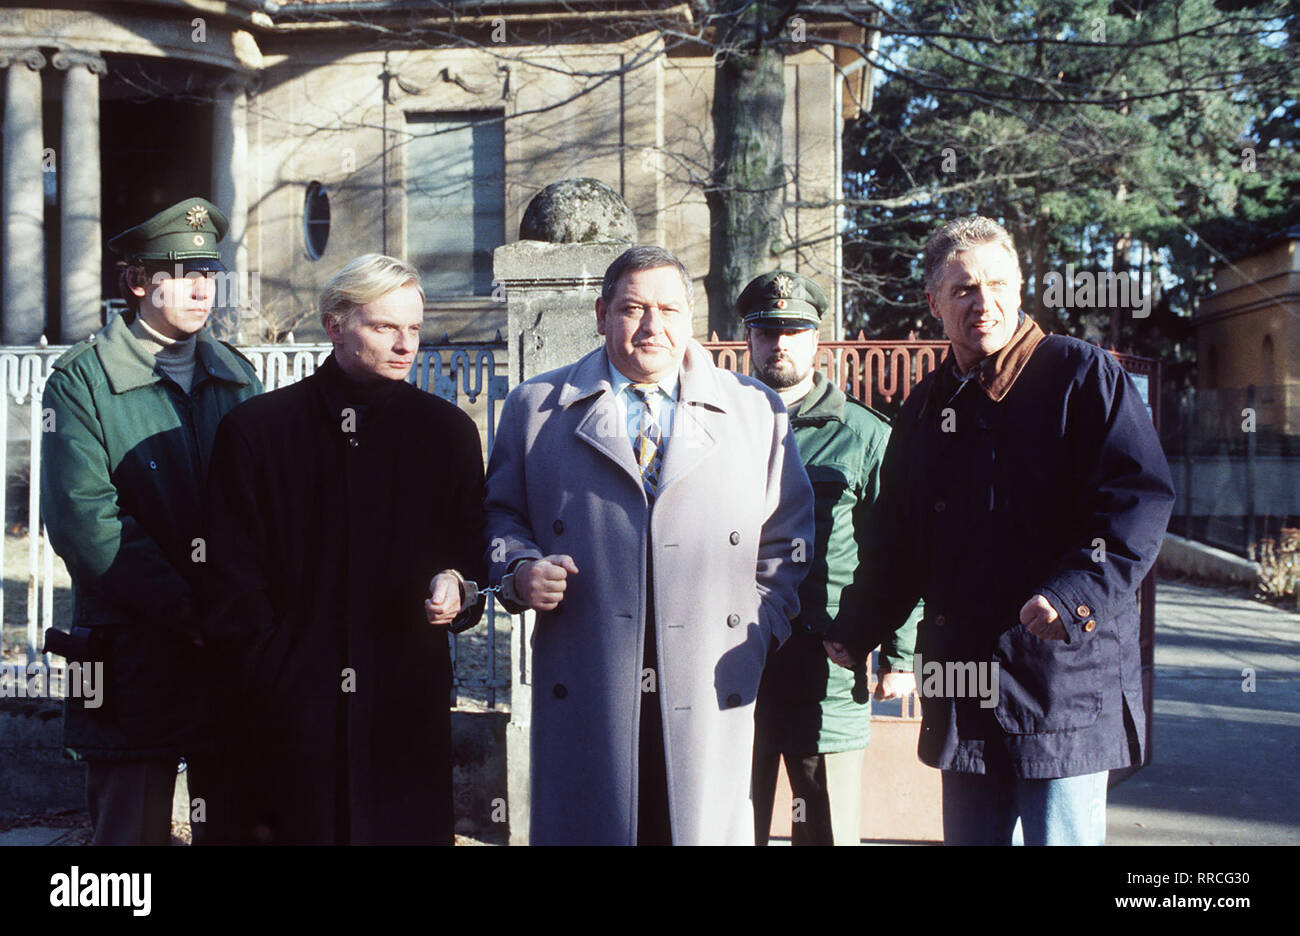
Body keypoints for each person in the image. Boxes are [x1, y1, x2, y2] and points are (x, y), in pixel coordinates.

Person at [826, 216, 1175, 845]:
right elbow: (898, 540)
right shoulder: (927, 405)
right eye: (962, 289)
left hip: (1061, 686)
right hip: (963, 690)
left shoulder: (1083, 376)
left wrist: (1073, 596)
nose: (982, 303)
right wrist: (860, 625)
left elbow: (1138, 502)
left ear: (1020, 289)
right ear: (933, 302)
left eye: (996, 285)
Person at [484, 245, 814, 845]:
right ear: (601, 313)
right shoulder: (536, 408)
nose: (652, 326)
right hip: (590, 672)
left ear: (691, 316)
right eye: (633, 308)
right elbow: (500, 517)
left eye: (668, 309)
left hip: (710, 674)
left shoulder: (754, 410)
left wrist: (758, 624)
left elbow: (787, 539)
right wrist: (520, 571)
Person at [200, 253, 487, 845]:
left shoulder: (448, 432)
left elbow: (471, 553)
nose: (406, 344)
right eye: (384, 327)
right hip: (288, 713)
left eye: (414, 327)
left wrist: (458, 586)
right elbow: (229, 576)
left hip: (403, 706)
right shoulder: (258, 430)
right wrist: (276, 671)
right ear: (335, 325)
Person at [40, 197, 262, 844]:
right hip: (129, 649)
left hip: (227, 646)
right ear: (139, 282)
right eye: (181, 271)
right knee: (128, 840)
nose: (201, 287)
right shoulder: (81, 382)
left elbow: (261, 503)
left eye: (209, 272)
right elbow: (84, 521)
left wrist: (237, 605)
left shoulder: (236, 377)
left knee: (237, 821)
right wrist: (184, 607)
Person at [740, 271, 919, 846]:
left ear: (816, 340)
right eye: (767, 331)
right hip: (733, 652)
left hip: (829, 658)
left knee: (826, 827)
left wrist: (901, 654)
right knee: (727, 822)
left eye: (794, 330)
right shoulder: (719, 424)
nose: (780, 344)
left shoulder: (863, 434)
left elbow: (897, 550)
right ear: (749, 338)